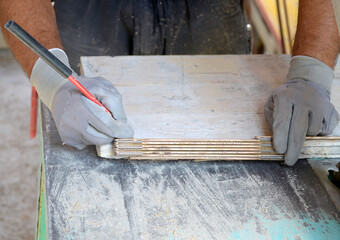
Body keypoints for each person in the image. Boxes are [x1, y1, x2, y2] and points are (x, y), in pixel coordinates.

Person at [0, 0, 338, 166]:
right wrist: (53, 80)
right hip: (92, 12)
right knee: (87, 159)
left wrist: (312, 71)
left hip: (208, 11)